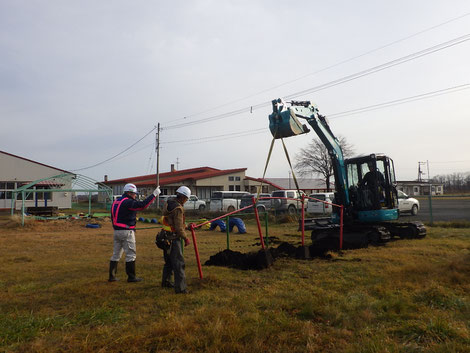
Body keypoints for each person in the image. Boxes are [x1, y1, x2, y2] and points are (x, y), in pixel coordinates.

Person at [108, 183, 160, 283]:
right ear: (129, 193)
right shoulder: (128, 202)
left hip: (117, 231)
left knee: (116, 254)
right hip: (127, 231)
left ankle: (112, 276)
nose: (135, 196)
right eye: (134, 194)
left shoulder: (116, 201)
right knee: (131, 254)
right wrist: (154, 195)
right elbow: (142, 206)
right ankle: (131, 277)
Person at [161, 185, 191, 294]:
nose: (186, 201)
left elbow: (172, 222)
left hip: (165, 237)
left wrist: (186, 225)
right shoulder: (178, 208)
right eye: (186, 198)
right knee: (179, 263)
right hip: (174, 239)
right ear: (183, 197)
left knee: (168, 262)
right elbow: (178, 227)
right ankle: (181, 288)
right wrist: (186, 238)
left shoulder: (169, 203)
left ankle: (166, 282)